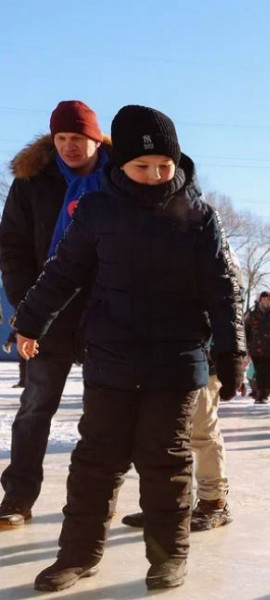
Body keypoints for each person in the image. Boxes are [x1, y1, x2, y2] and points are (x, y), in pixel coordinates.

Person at [13, 105, 245, 591]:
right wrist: (30, 321)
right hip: (111, 353)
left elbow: (222, 288)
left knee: (166, 460)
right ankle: (77, 555)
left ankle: (167, 557)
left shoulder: (199, 216)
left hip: (178, 359)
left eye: (166, 165)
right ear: (121, 167)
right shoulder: (97, 211)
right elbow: (64, 272)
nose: (157, 175)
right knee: (96, 459)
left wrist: (231, 351)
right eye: (143, 167)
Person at [0, 101, 109, 530]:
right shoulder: (32, 182)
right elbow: (11, 246)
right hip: (49, 307)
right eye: (60, 139)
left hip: (105, 308)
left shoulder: (120, 177)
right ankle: (16, 497)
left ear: (95, 139)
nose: (69, 147)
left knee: (105, 408)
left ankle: (98, 498)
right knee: (35, 406)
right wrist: (28, 305)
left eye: (77, 139)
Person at [120, 344, 239, 533]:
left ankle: (214, 501)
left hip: (200, 360)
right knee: (164, 434)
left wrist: (232, 359)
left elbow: (228, 320)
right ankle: (169, 503)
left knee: (202, 432)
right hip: (157, 364)